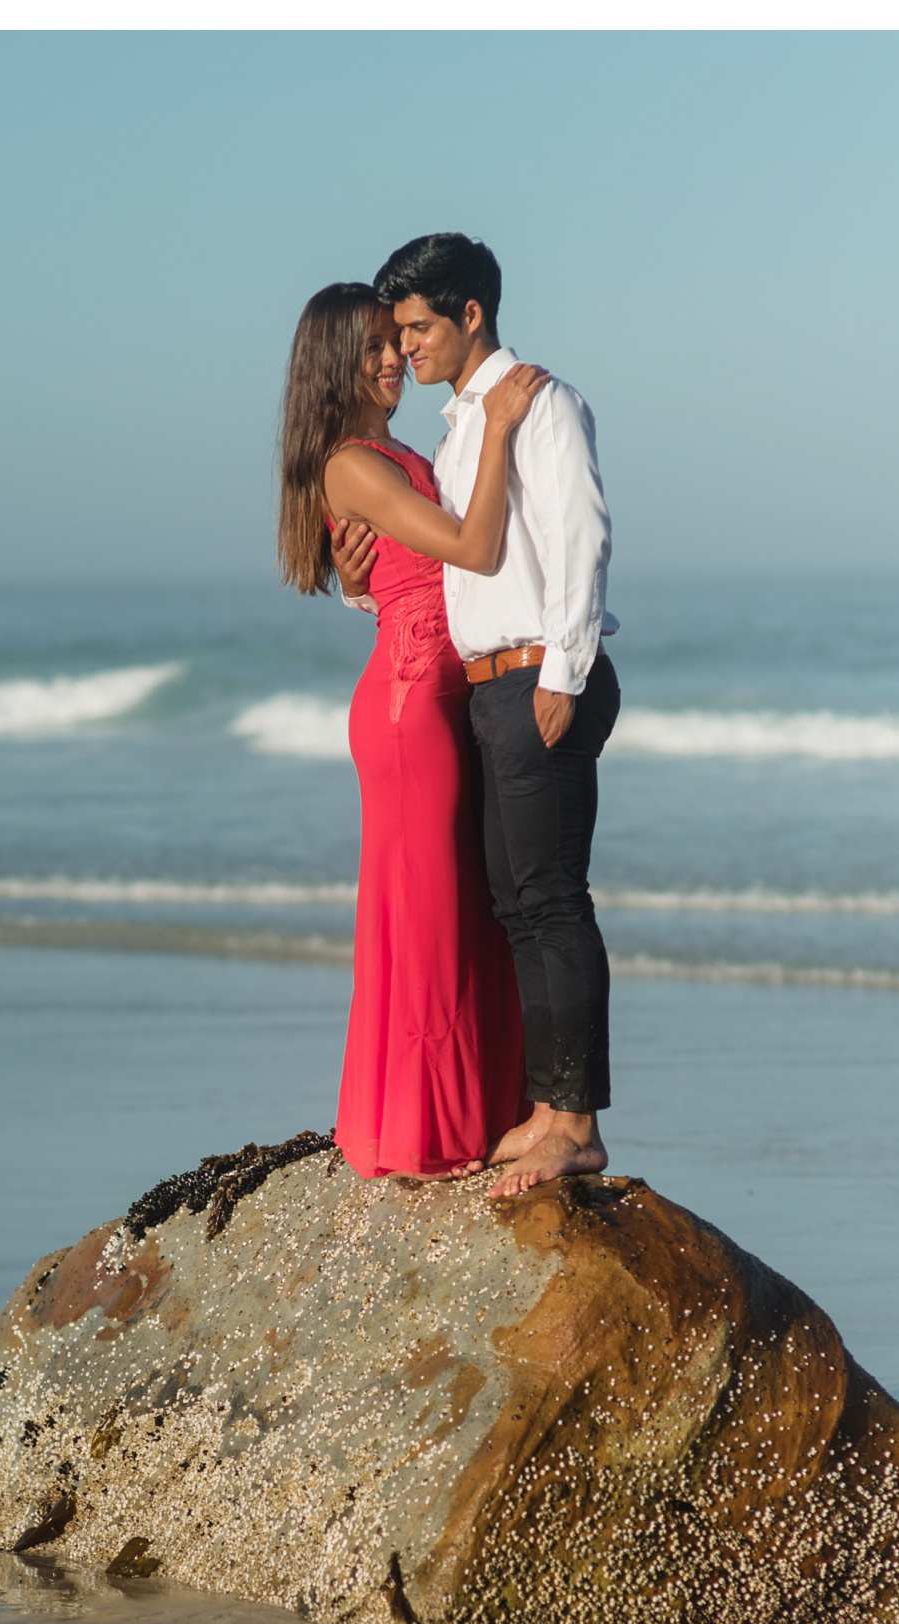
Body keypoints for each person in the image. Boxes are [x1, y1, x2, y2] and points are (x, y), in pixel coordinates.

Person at [335, 233, 620, 1199]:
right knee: (514, 907)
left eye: (416, 327)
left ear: (469, 317)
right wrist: (356, 582)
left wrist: (566, 674)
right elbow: (434, 567)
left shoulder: (538, 406)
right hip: (485, 685)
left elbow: (581, 540)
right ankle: (547, 1107)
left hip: (540, 674)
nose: (403, 348)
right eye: (394, 331)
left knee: (551, 902)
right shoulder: (457, 432)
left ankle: (575, 1123)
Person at [277, 283, 547, 1180]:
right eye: (372, 348)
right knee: (426, 920)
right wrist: (503, 426)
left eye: (396, 341)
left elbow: (404, 572)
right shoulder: (353, 463)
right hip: (407, 714)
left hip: (438, 697)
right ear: (333, 364)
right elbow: (470, 550)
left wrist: (361, 584)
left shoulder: (386, 453)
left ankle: (471, 1112)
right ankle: (426, 1131)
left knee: (461, 911)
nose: (393, 359)